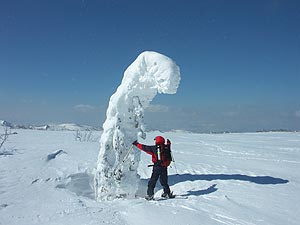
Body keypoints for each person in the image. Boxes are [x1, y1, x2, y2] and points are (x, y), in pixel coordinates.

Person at [133, 136, 175, 200]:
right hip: (164, 167)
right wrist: (169, 143)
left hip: (157, 167)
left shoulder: (154, 148)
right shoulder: (166, 147)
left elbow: (144, 148)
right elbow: (169, 148)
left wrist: (136, 144)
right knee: (164, 181)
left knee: (152, 181)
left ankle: (150, 195)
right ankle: (167, 193)